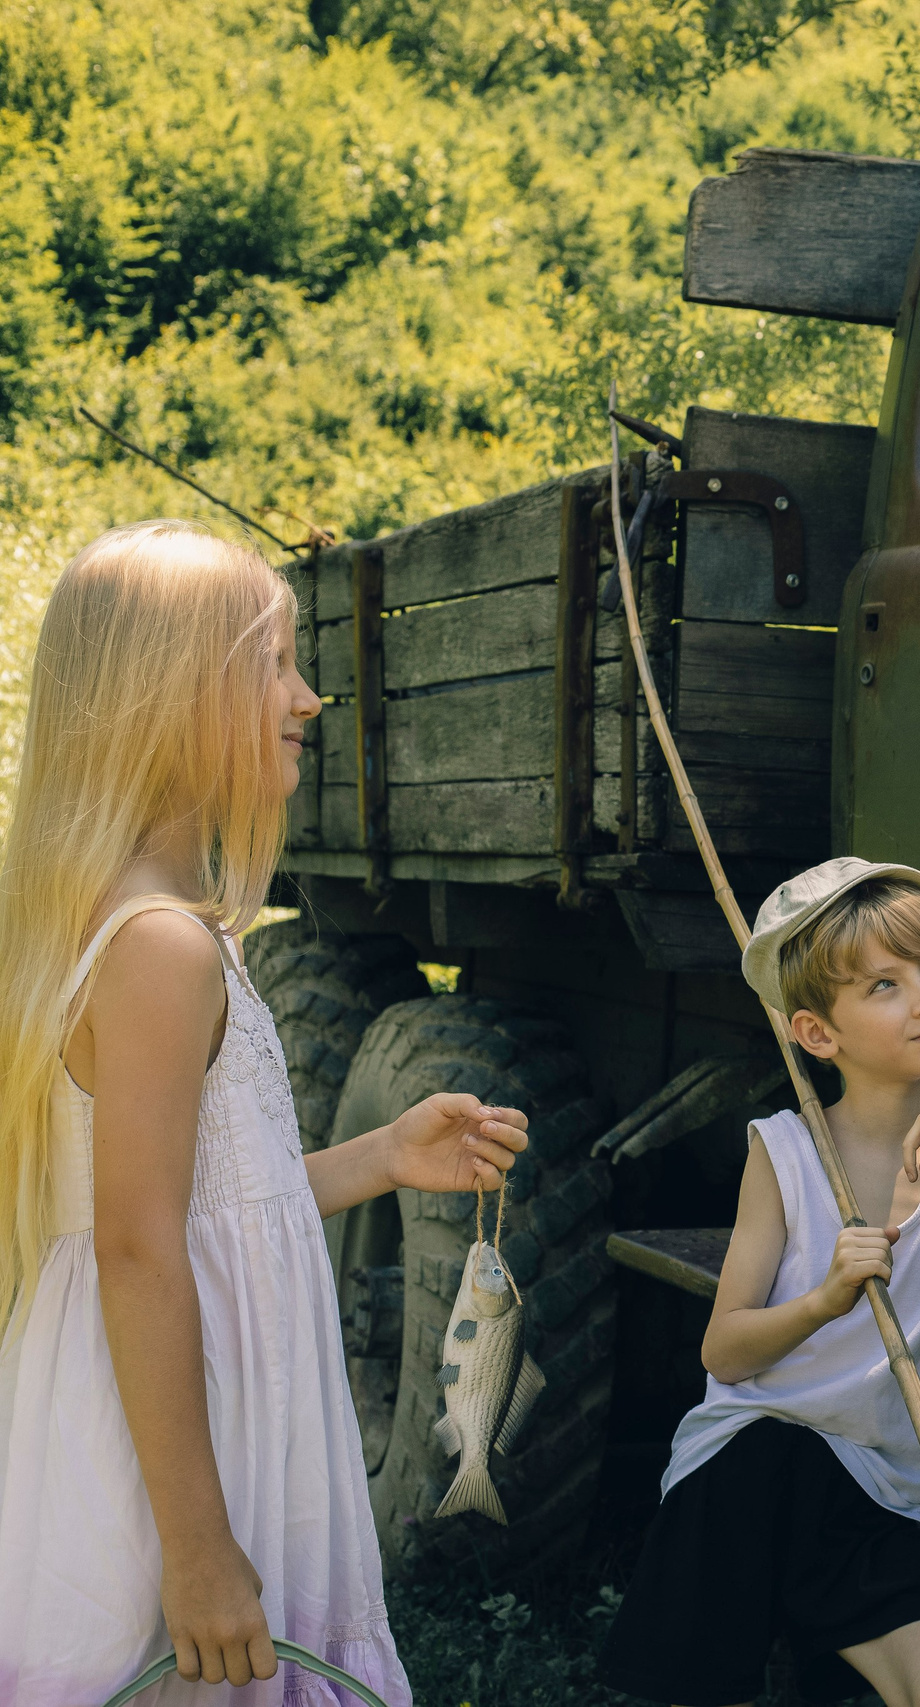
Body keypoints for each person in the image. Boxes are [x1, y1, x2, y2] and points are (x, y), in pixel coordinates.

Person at [0, 521, 529, 1703]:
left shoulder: (146, 924)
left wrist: (382, 1156)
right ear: (170, 697)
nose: (312, 695)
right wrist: (195, 1551)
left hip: (191, 1416)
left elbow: (202, 1208)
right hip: (173, 1460)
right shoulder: (158, 949)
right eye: (274, 664)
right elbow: (138, 1251)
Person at [600, 857, 920, 1707]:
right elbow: (723, 1350)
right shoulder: (787, 1152)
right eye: (883, 985)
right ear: (816, 1033)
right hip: (749, 1460)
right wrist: (825, 1300)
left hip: (875, 1484)